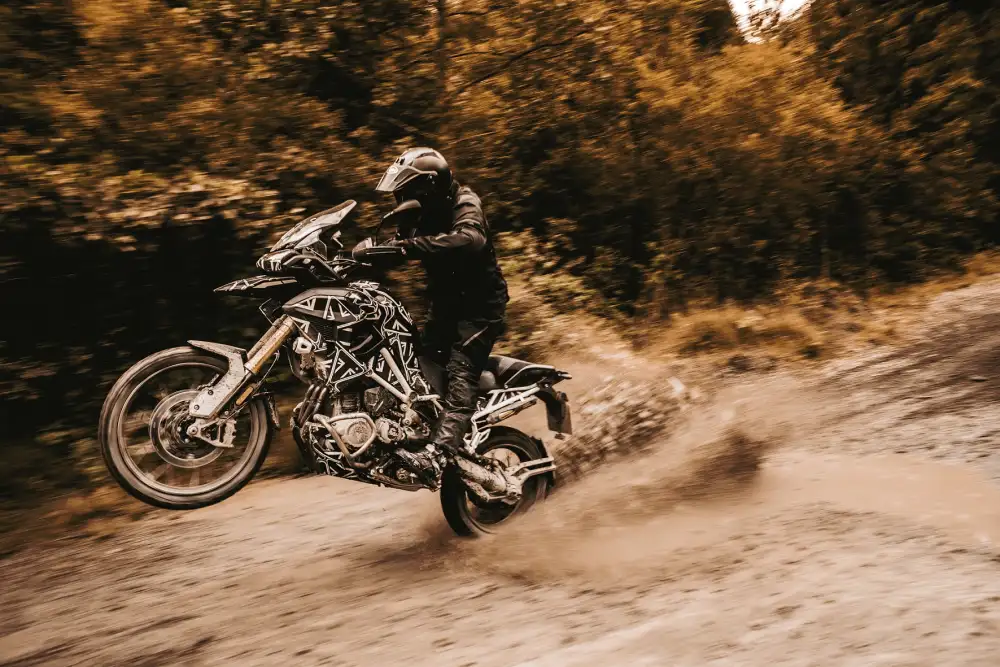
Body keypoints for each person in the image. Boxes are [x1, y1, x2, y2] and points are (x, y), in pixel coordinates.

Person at [354, 148, 509, 485]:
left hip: (479, 310)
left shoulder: (465, 203)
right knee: (416, 366)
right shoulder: (418, 213)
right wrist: (358, 257)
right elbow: (398, 247)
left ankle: (439, 455)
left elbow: (471, 239)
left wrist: (405, 248)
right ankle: (415, 431)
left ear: (428, 187)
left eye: (406, 191)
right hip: (446, 306)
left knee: (460, 372)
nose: (400, 199)